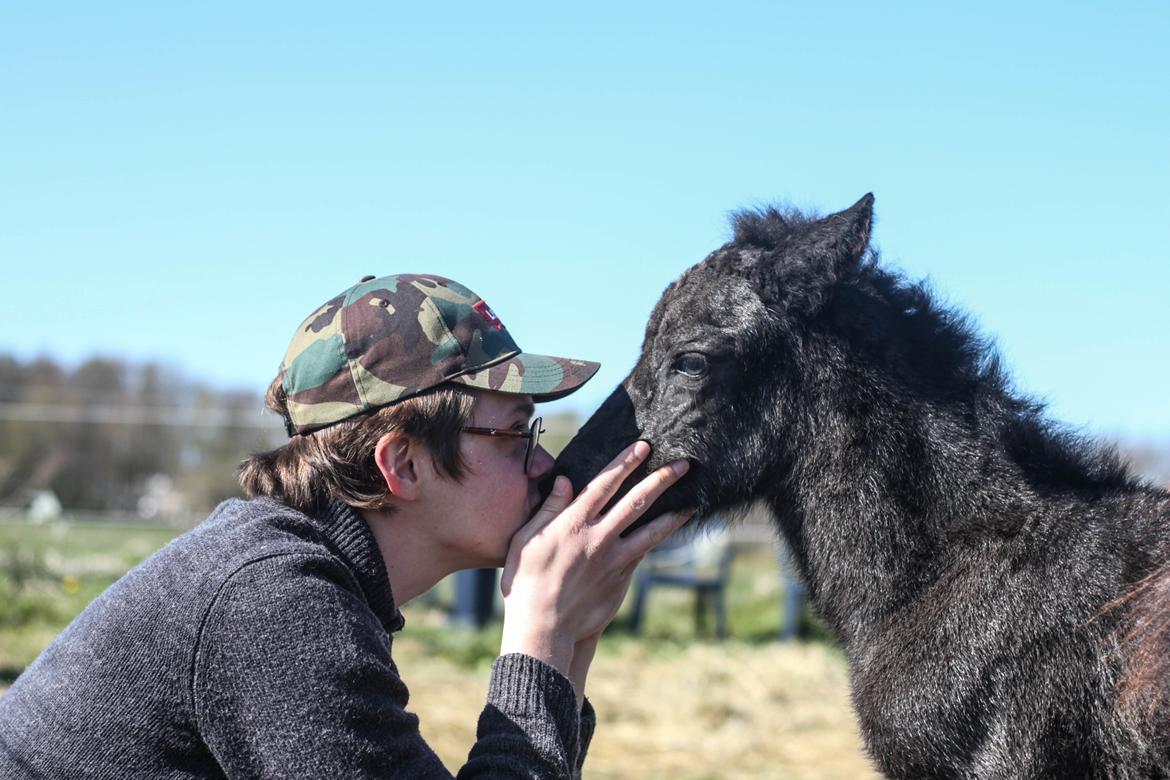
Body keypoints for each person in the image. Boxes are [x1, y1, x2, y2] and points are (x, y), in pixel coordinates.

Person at [0, 273, 692, 779]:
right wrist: (540, 636)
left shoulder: (297, 577)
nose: (543, 464)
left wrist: (571, 638)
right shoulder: (271, 603)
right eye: (516, 434)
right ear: (404, 465)